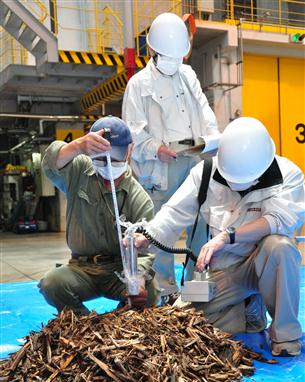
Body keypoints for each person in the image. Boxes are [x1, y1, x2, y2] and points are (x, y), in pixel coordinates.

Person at [134, 117, 305, 357]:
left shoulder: (289, 175)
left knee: (281, 247)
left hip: (262, 263)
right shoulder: (204, 173)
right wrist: (148, 235)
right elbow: (174, 213)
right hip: (224, 270)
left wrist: (227, 236)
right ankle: (246, 310)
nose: (237, 187)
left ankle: (286, 338)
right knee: (186, 323)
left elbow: (278, 220)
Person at [122, 12, 221, 304]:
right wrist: (156, 148)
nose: (173, 61)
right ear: (152, 50)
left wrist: (212, 139)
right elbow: (132, 133)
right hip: (161, 168)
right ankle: (164, 293)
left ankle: (193, 290)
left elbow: (204, 112)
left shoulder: (188, 75)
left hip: (194, 160)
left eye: (178, 56)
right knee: (160, 233)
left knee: (201, 225)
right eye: (168, 56)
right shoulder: (138, 85)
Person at [39, 116, 159, 314]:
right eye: (101, 158)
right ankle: (83, 324)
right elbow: (50, 164)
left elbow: (144, 251)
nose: (109, 164)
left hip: (120, 271)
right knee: (52, 284)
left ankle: (123, 321)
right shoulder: (79, 170)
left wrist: (136, 279)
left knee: (150, 291)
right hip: (82, 269)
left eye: (116, 157)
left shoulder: (139, 198)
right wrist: (78, 146)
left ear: (129, 150)